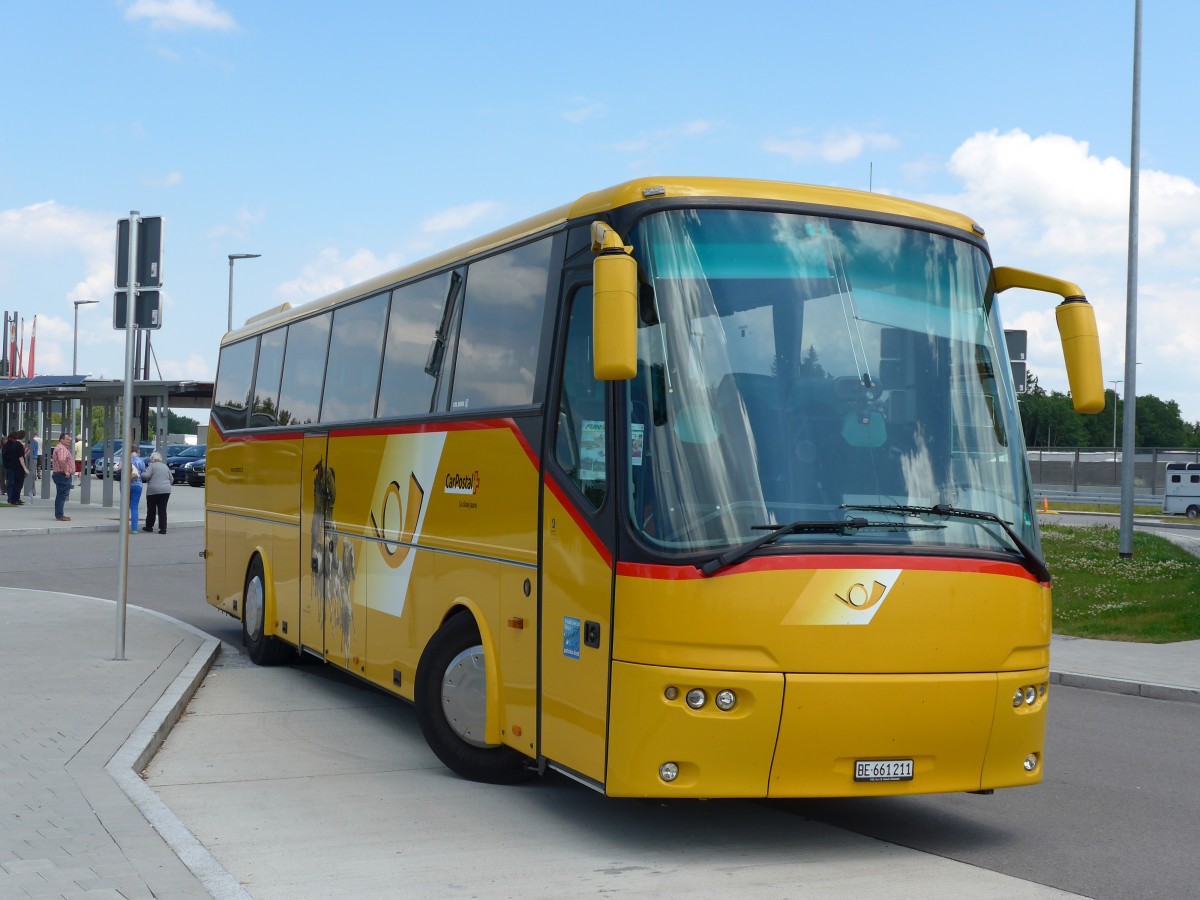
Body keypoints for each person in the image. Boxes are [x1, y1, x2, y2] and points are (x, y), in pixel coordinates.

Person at [141, 451, 172, 534]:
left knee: (151, 509)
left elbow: (146, 476)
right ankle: (163, 529)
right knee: (162, 510)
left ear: (152, 459)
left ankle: (149, 526)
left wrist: (140, 473)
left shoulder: (152, 466)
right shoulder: (165, 466)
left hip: (153, 491)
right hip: (166, 491)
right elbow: (171, 479)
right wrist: (166, 484)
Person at [51, 432, 74, 520]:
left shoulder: (59, 447)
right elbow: (61, 460)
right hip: (62, 475)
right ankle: (60, 515)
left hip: (59, 474)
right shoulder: (62, 449)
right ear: (61, 439)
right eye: (67, 439)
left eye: (69, 439)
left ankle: (59, 514)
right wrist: (67, 471)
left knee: (60, 494)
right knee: (62, 495)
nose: (69, 441)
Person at [3, 430, 28, 505]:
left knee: (14, 483)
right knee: (17, 483)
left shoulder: (11, 445)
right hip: (16, 467)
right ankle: (14, 499)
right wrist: (25, 468)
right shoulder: (18, 445)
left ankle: (13, 498)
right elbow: (20, 458)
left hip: (12, 466)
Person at [127, 447, 146, 532]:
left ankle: (124, 527)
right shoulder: (140, 461)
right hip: (137, 485)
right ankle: (134, 529)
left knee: (125, 507)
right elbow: (143, 472)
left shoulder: (125, 458)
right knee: (134, 507)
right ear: (137, 452)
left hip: (126, 485)